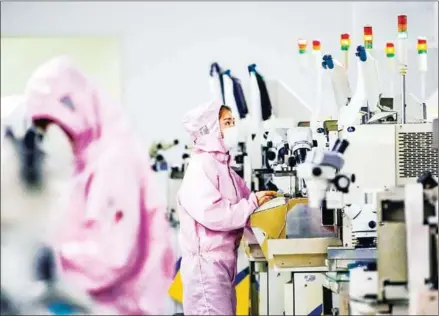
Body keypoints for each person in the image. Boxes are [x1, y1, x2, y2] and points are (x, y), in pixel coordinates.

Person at [23, 56, 174, 315]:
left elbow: (114, 255)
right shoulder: (91, 157)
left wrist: (52, 257)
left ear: (71, 106)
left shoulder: (114, 161)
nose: (49, 135)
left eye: (49, 124)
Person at [177, 101, 276, 315]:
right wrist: (252, 204)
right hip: (206, 268)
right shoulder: (201, 165)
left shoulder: (223, 166)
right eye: (227, 122)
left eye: (233, 122)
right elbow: (214, 214)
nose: (233, 128)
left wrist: (264, 204)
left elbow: (246, 199)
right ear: (211, 128)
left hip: (221, 264)